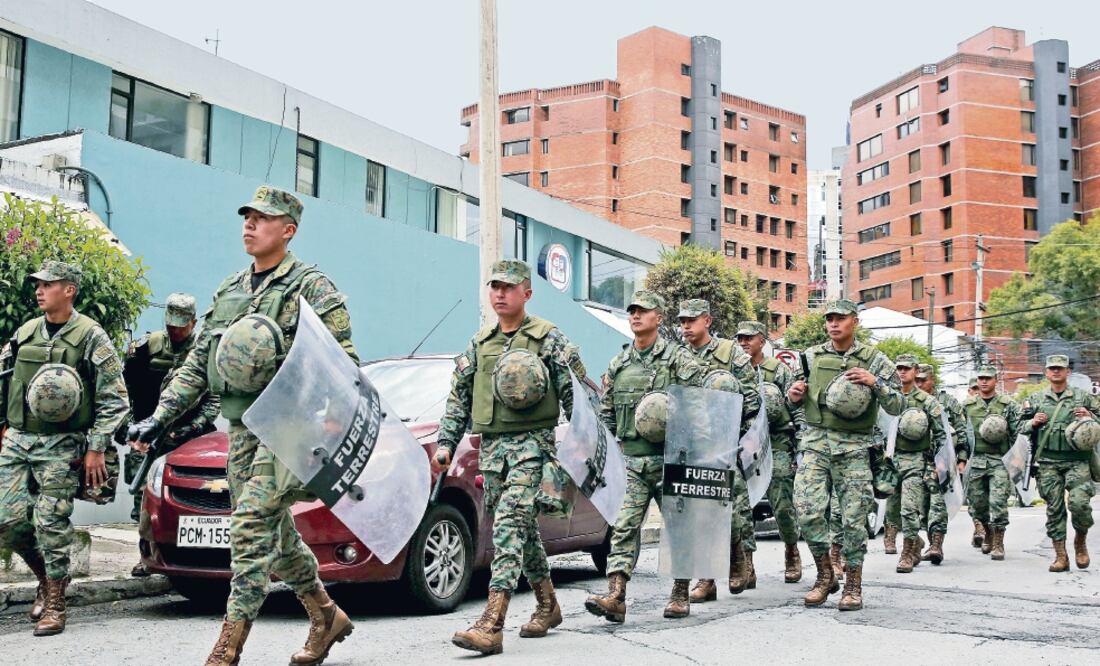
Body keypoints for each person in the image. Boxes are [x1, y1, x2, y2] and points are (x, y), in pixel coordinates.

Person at [128, 186, 357, 666]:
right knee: (276, 536)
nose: (249, 225)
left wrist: (329, 428)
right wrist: (158, 416)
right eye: (247, 217)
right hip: (242, 429)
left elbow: (343, 365)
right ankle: (325, 613)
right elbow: (197, 364)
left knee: (250, 527)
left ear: (288, 230)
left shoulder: (312, 287)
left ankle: (226, 650)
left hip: (288, 430)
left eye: (262, 218)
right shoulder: (231, 289)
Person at [433, 260, 584, 655]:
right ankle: (548, 604)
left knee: (508, 526)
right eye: (494, 287)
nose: (500, 293)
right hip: (493, 451)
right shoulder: (480, 344)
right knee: (521, 532)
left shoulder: (548, 338)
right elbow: (458, 399)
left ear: (527, 294)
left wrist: (586, 445)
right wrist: (446, 443)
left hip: (534, 446)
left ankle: (492, 621)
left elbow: (578, 393)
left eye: (509, 287)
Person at [0, 260, 129, 636]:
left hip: (63, 444)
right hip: (19, 439)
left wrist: (96, 447)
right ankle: (46, 576)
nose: (39, 290)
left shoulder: (91, 336)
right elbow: (3, 381)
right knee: (5, 518)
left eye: (48, 284)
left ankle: (56, 603)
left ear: (69, 290)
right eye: (37, 284)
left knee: (50, 520)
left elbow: (115, 398)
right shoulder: (26, 332)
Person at [585, 291, 706, 623]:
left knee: (678, 526)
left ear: (659, 317)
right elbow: (606, 411)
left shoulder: (678, 360)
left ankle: (680, 593)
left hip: (671, 460)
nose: (636, 316)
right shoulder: (619, 364)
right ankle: (616, 595)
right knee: (623, 526)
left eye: (643, 311)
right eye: (632, 311)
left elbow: (697, 405)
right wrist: (613, 446)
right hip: (633, 463)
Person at [788, 299, 902, 611]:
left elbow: (897, 406)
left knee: (853, 519)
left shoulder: (874, 359)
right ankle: (826, 574)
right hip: (815, 444)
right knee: (807, 510)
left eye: (841, 318)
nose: (834, 324)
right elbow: (792, 398)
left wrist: (874, 383)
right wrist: (794, 395)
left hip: (854, 448)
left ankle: (853, 584)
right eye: (829, 319)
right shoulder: (810, 357)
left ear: (855, 322)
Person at [122, 292, 220, 576]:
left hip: (189, 437)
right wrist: (134, 426)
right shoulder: (147, 347)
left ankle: (190, 553)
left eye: (180, 324)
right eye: (170, 324)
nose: (174, 330)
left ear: (193, 321)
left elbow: (214, 399)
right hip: (149, 436)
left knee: (189, 497)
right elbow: (127, 388)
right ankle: (146, 554)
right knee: (142, 497)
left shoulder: (205, 351)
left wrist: (192, 427)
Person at [675, 300, 761, 602]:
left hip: (725, 441)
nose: (686, 326)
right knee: (698, 509)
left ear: (707, 321)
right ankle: (707, 578)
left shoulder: (730, 353)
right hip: (689, 443)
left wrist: (736, 432)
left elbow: (751, 397)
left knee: (733, 505)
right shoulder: (677, 355)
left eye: (692, 320)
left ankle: (740, 555)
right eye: (682, 321)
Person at [736, 320, 805, 584]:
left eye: (749, 338)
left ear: (762, 341)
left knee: (783, 505)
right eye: (740, 339)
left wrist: (799, 449)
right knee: (744, 506)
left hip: (776, 442)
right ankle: (747, 565)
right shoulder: (732, 370)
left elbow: (795, 407)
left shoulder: (778, 370)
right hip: (744, 444)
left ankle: (791, 549)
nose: (743, 343)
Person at [1018, 355, 1100, 572]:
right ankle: (1061, 556)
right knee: (1054, 509)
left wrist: (1090, 415)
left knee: (1080, 505)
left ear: (1068, 372)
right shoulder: (1036, 399)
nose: (1056, 372)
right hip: (1048, 462)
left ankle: (1080, 542)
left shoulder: (1083, 397)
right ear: (1046, 372)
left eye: (1060, 369)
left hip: (1077, 461)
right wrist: (1032, 422)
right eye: (1052, 368)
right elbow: (1017, 425)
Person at [889, 354, 946, 573]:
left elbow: (942, 435)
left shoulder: (927, 402)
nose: (902, 372)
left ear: (915, 371)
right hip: (891, 461)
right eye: (899, 368)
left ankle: (907, 553)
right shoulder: (889, 399)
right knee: (892, 513)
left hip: (916, 459)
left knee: (909, 509)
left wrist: (938, 465)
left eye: (906, 368)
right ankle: (916, 543)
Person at [960, 365, 1020, 560]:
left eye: (988, 378)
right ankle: (987, 531)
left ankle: (998, 542)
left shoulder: (1007, 404)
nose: (984, 381)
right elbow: (962, 434)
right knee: (977, 505)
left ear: (995, 380)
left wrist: (1016, 459)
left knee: (998, 502)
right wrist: (961, 458)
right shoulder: (968, 406)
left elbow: (1017, 431)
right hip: (976, 459)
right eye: (981, 378)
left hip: (999, 460)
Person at [916, 363, 968, 564]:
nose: (920, 384)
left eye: (923, 380)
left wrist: (961, 458)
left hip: (940, 459)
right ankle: (920, 542)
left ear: (932, 380)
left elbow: (962, 430)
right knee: (919, 505)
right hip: (914, 458)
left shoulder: (948, 401)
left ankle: (936, 545)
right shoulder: (907, 399)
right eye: (917, 379)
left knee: (937, 501)